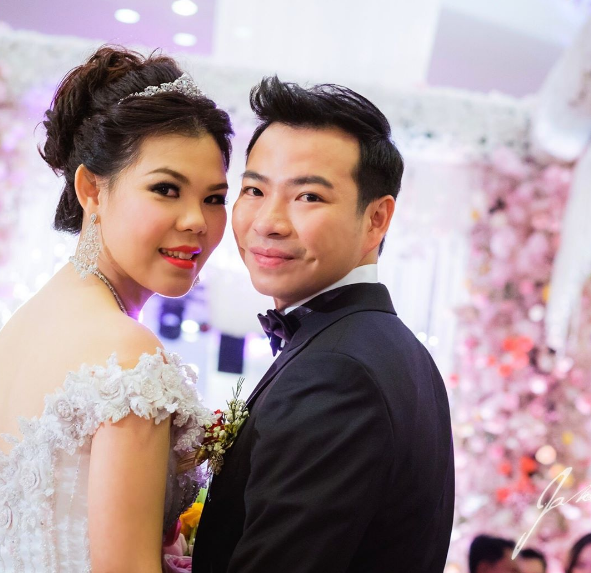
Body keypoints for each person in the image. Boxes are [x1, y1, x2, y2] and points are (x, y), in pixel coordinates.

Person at [193, 77, 455, 573]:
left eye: (308, 196)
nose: (268, 222)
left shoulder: (337, 374)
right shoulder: (393, 350)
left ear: (376, 219)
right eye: (254, 190)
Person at [0, 46, 233, 572]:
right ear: (91, 189)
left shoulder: (19, 328)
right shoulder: (128, 358)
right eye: (166, 189)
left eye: (215, 198)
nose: (197, 221)